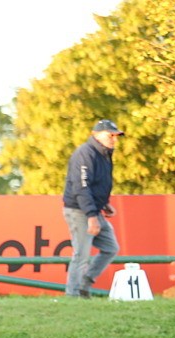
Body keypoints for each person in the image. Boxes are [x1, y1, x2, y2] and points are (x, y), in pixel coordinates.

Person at [62, 119, 124, 298]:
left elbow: (96, 184)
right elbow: (81, 187)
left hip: (93, 209)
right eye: (110, 135)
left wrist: (104, 204)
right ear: (96, 135)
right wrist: (91, 215)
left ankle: (84, 284)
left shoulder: (104, 154)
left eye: (116, 136)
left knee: (111, 248)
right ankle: (73, 296)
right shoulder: (85, 153)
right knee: (81, 255)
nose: (114, 139)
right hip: (80, 210)